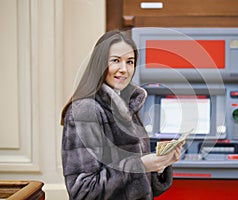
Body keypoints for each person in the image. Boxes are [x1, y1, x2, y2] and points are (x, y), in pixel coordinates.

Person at [60, 30, 184, 200]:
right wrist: (139, 165)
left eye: (130, 62)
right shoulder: (85, 112)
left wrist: (160, 164)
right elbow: (83, 192)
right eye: (116, 61)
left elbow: (141, 187)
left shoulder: (128, 106)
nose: (124, 69)